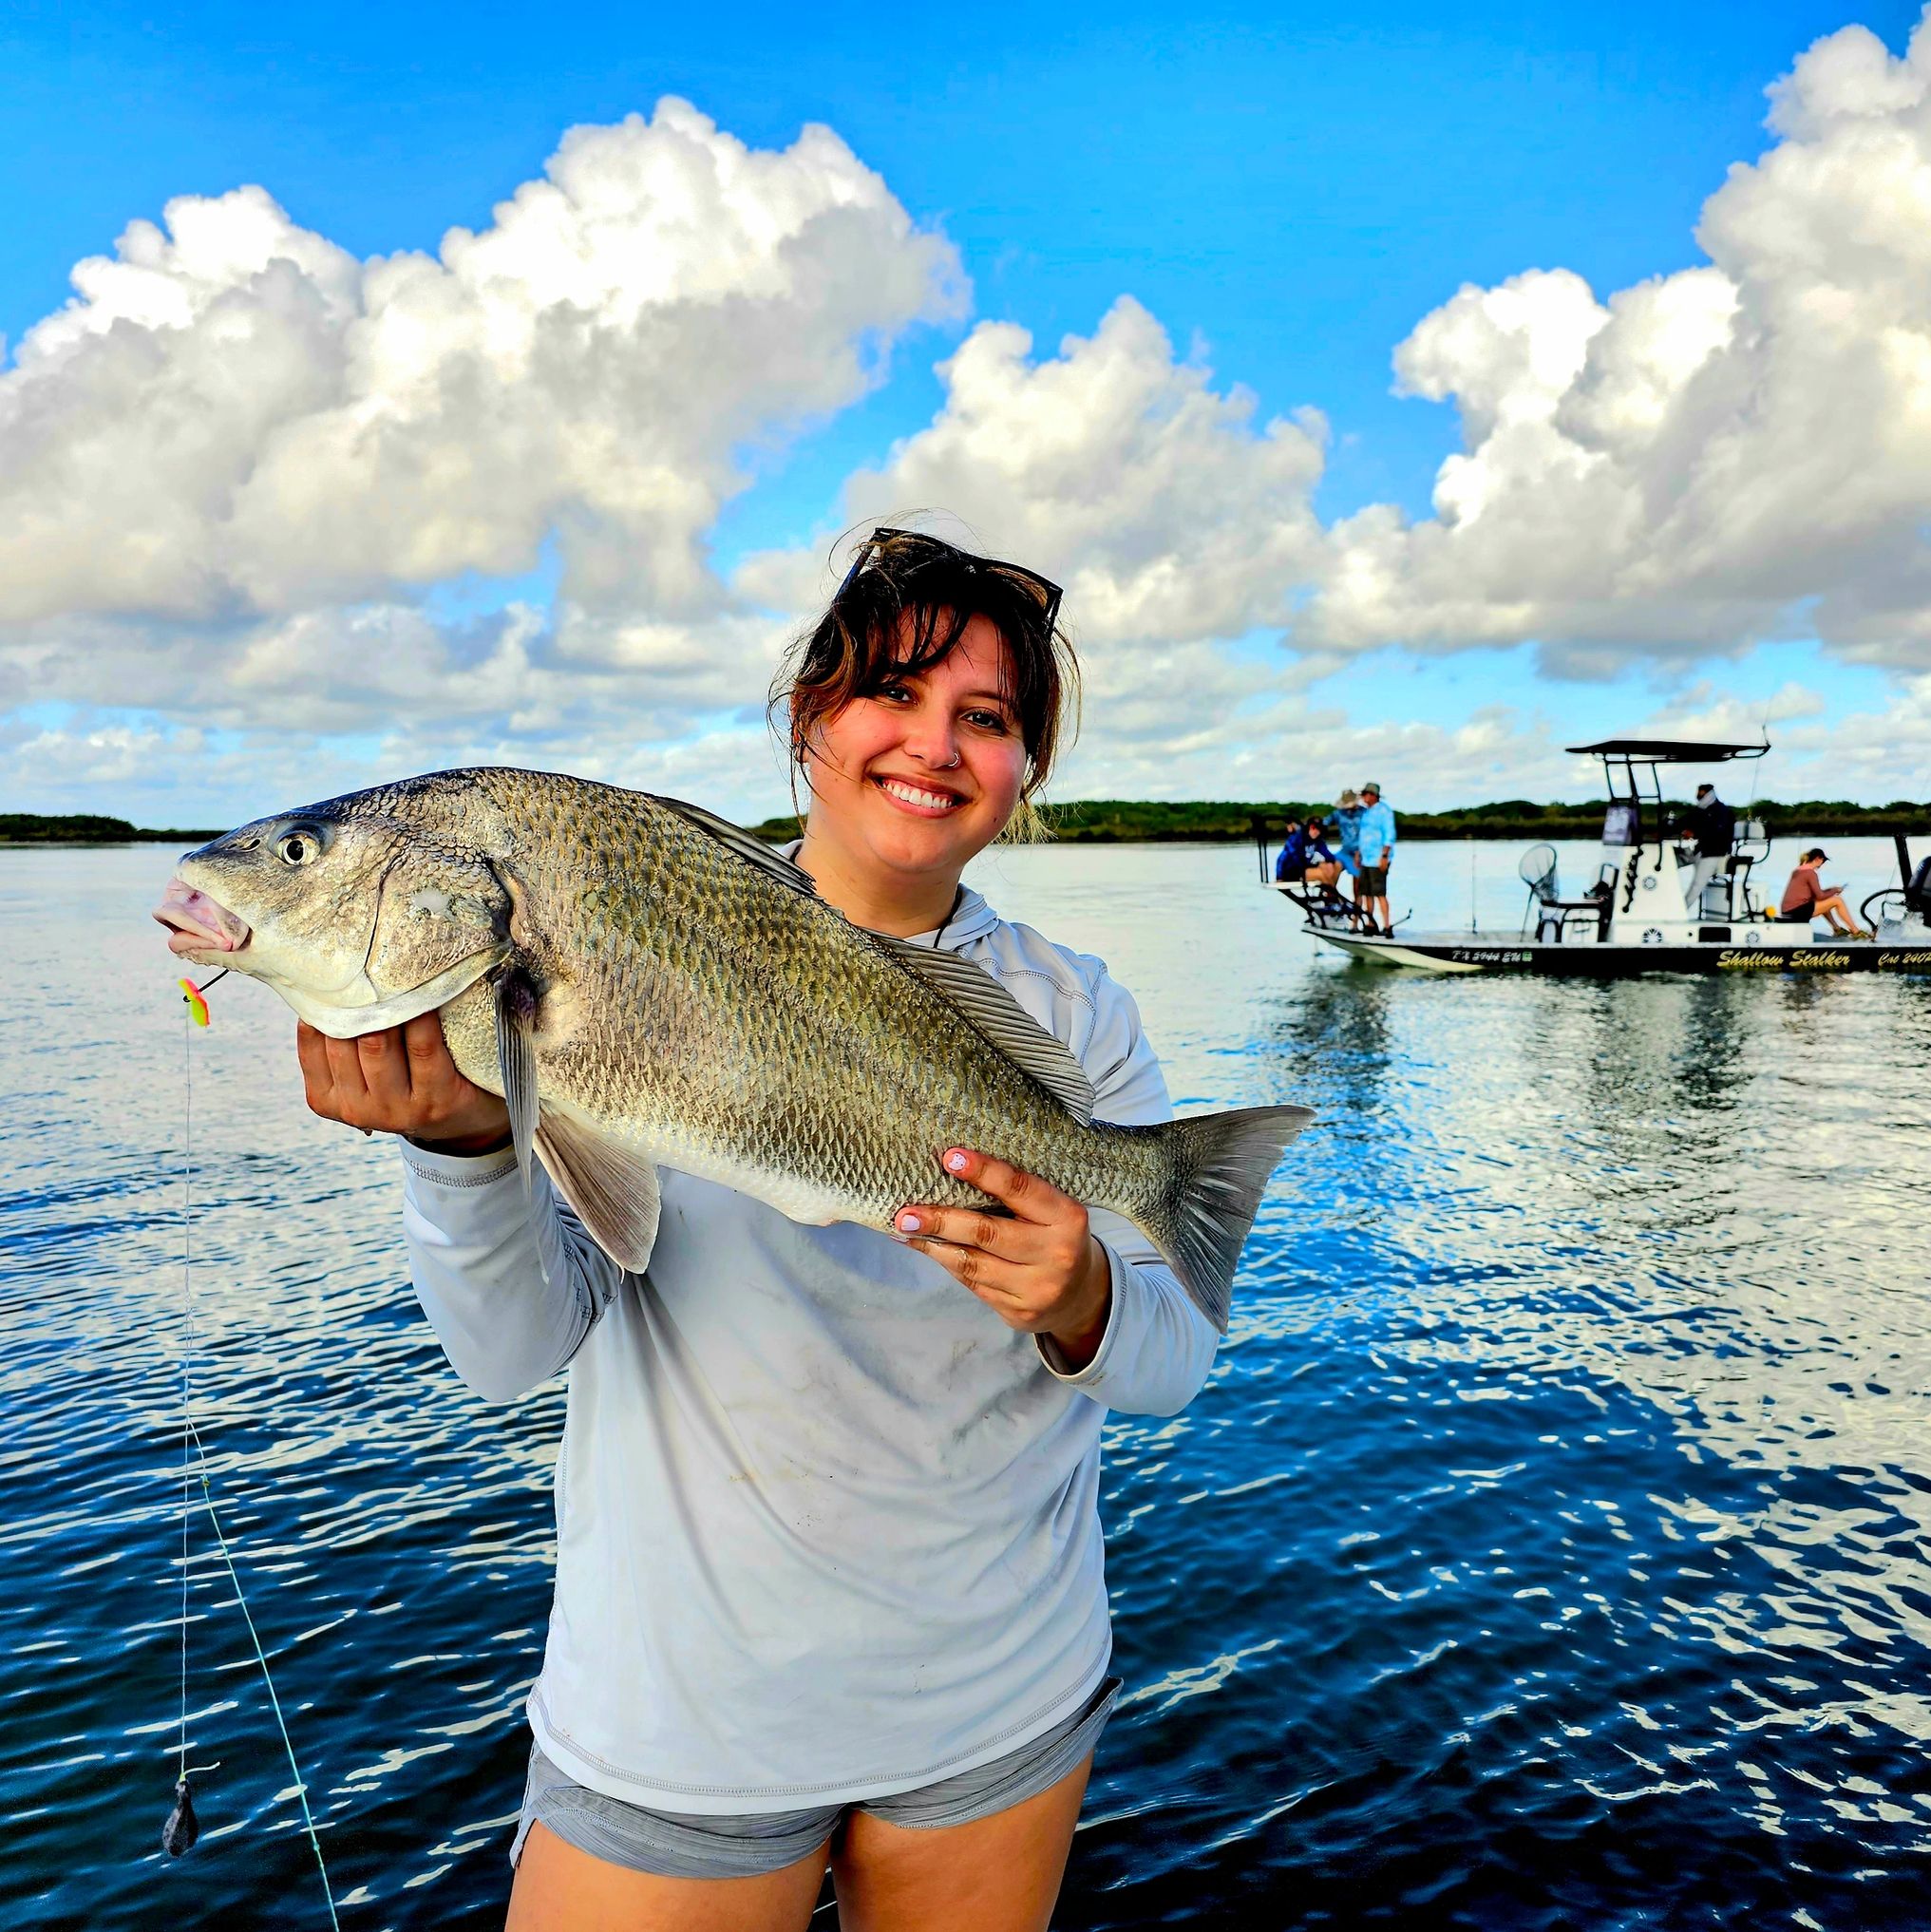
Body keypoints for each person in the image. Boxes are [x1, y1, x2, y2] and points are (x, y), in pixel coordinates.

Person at [292, 526, 1220, 1932]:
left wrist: (1083, 1290)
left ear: (1025, 767)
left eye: (986, 718)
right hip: (682, 1716)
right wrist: (464, 1150)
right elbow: (507, 1353)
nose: (934, 744)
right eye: (891, 695)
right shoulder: (601, 954)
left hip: (996, 1699)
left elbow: (1170, 1365)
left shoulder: (1073, 1009)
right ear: (808, 719)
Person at [1779, 847, 1869, 938]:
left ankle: (1837, 929)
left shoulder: (1798, 870)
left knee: (1826, 902)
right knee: (1838, 901)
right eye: (1823, 861)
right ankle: (1856, 931)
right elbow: (1820, 896)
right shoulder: (1810, 873)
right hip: (1796, 912)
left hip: (1788, 912)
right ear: (1818, 859)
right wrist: (1835, 891)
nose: (1823, 864)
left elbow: (1815, 895)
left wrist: (1832, 889)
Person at [1683, 782, 1736, 915]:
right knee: (1673, 859)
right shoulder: (1701, 810)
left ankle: (1681, 910)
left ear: (1709, 794)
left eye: (1701, 794)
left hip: (1715, 852)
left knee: (1697, 884)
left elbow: (1717, 831)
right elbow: (1685, 821)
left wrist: (1694, 833)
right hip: (1701, 850)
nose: (1699, 797)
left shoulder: (1722, 811)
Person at [1354, 782, 1397, 934]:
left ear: (1372, 795)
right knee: (1366, 893)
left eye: (1365, 794)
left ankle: (1386, 926)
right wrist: (1359, 853)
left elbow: (1389, 835)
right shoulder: (1366, 812)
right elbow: (1363, 835)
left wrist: (1384, 856)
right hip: (1366, 859)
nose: (1363, 797)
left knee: (1379, 893)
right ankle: (1371, 923)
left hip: (1378, 859)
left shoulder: (1384, 811)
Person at [1274, 815, 1335, 884]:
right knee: (1321, 874)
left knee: (1326, 867)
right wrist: (1279, 877)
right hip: (1291, 871)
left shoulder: (1318, 840)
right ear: (1309, 827)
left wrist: (1331, 862)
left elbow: (1328, 855)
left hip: (1304, 868)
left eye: (1318, 828)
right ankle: (1332, 893)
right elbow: (1282, 858)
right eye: (1313, 827)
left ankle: (1329, 893)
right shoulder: (1297, 838)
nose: (1315, 831)